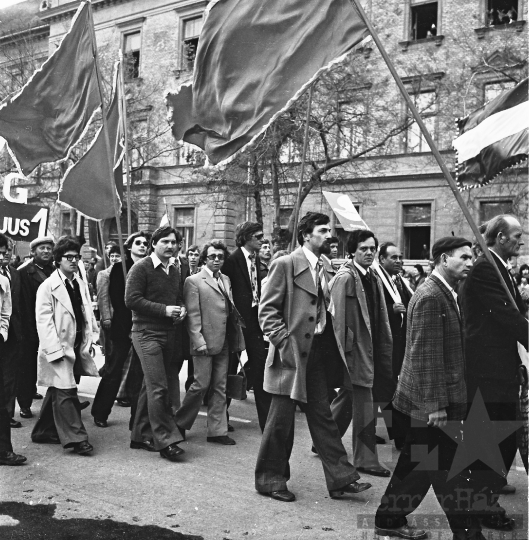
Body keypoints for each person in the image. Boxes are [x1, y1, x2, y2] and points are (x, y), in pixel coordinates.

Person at [255, 212, 371, 502]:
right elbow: (267, 313)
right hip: (290, 357)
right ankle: (270, 480)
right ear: (306, 235)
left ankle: (341, 479)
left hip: (317, 354)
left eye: (329, 230)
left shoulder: (327, 266)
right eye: (322, 230)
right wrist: (284, 344)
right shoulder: (284, 264)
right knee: (280, 423)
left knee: (323, 419)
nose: (328, 235)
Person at [374, 236, 473, 540]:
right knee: (446, 472)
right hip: (430, 404)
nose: (470, 263)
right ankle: (468, 533)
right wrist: (436, 406)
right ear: (444, 259)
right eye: (464, 257)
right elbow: (425, 355)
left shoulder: (445, 291)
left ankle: (388, 519)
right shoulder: (431, 295)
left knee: (420, 465)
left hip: (428, 402)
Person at [460, 215, 529, 533]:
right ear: (501, 238)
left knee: (500, 437)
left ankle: (484, 497)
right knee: (494, 439)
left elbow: (513, 311)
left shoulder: (500, 267)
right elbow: (507, 316)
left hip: (499, 367)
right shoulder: (488, 267)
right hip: (488, 370)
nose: (521, 241)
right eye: (517, 236)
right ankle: (481, 505)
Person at [328, 230, 393, 476]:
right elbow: (335, 319)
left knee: (349, 397)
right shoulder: (345, 278)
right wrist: (342, 356)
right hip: (354, 352)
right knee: (366, 403)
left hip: (370, 349)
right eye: (363, 249)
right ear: (352, 251)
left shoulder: (373, 277)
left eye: (372, 249)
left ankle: (325, 438)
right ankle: (365, 459)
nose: (368, 253)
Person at [31, 237, 99, 455]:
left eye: (76, 257)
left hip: (75, 343)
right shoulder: (47, 287)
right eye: (68, 257)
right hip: (58, 346)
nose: (73, 261)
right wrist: (53, 350)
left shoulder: (78, 282)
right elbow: (44, 322)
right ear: (58, 260)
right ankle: (77, 438)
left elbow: (85, 313)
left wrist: (89, 339)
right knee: (67, 391)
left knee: (58, 388)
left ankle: (43, 431)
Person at [125, 226, 187, 461]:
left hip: (168, 333)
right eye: (165, 242)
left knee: (149, 386)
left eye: (174, 242)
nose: (170, 246)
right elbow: (131, 300)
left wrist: (180, 309)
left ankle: (139, 435)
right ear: (153, 244)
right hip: (145, 333)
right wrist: (164, 310)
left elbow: (177, 297)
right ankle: (165, 441)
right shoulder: (141, 267)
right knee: (159, 387)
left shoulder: (174, 268)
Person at [175, 240, 245, 445]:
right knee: (200, 385)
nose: (216, 260)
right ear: (205, 258)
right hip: (204, 342)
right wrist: (198, 341)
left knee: (220, 386)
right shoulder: (194, 281)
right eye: (212, 256)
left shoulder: (225, 279)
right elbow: (193, 315)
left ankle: (217, 431)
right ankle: (179, 422)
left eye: (220, 257)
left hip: (224, 340)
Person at [91, 232, 148, 429]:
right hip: (123, 328)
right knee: (113, 370)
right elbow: (118, 301)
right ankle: (100, 412)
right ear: (130, 247)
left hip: (143, 328)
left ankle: (136, 420)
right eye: (138, 243)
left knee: (137, 375)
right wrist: (128, 328)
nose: (142, 246)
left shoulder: (148, 267)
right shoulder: (118, 268)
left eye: (145, 243)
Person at [222, 221, 271, 432]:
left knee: (260, 366)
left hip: (254, 321)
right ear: (246, 238)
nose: (262, 240)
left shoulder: (258, 260)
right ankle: (220, 418)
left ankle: (266, 422)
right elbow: (224, 291)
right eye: (258, 237)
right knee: (229, 368)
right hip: (236, 322)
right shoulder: (232, 260)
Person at [374, 242, 414, 449]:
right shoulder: (376, 279)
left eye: (400, 257)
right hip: (384, 344)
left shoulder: (398, 280)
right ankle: (400, 436)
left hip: (399, 342)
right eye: (393, 257)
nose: (399, 261)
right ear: (381, 259)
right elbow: (370, 309)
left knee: (388, 390)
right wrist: (391, 308)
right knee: (387, 390)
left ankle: (397, 434)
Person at [17, 236, 55, 419]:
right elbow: (21, 304)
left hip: (49, 326)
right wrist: (24, 330)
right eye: (42, 248)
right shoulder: (24, 272)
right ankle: (25, 404)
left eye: (49, 248)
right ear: (33, 252)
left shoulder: (54, 270)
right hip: (30, 327)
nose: (46, 251)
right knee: (28, 367)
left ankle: (62, 402)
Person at [0, 238, 26, 466]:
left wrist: (4, 331)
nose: (3, 256)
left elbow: (7, 310)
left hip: (6, 342)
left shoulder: (9, 276)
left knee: (5, 393)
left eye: (5, 251)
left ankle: (4, 451)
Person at [96, 245, 121, 358]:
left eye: (117, 256)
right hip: (110, 317)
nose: (114, 258)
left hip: (122, 317)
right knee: (110, 349)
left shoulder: (126, 273)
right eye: (112, 256)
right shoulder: (104, 274)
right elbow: (102, 297)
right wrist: (106, 317)